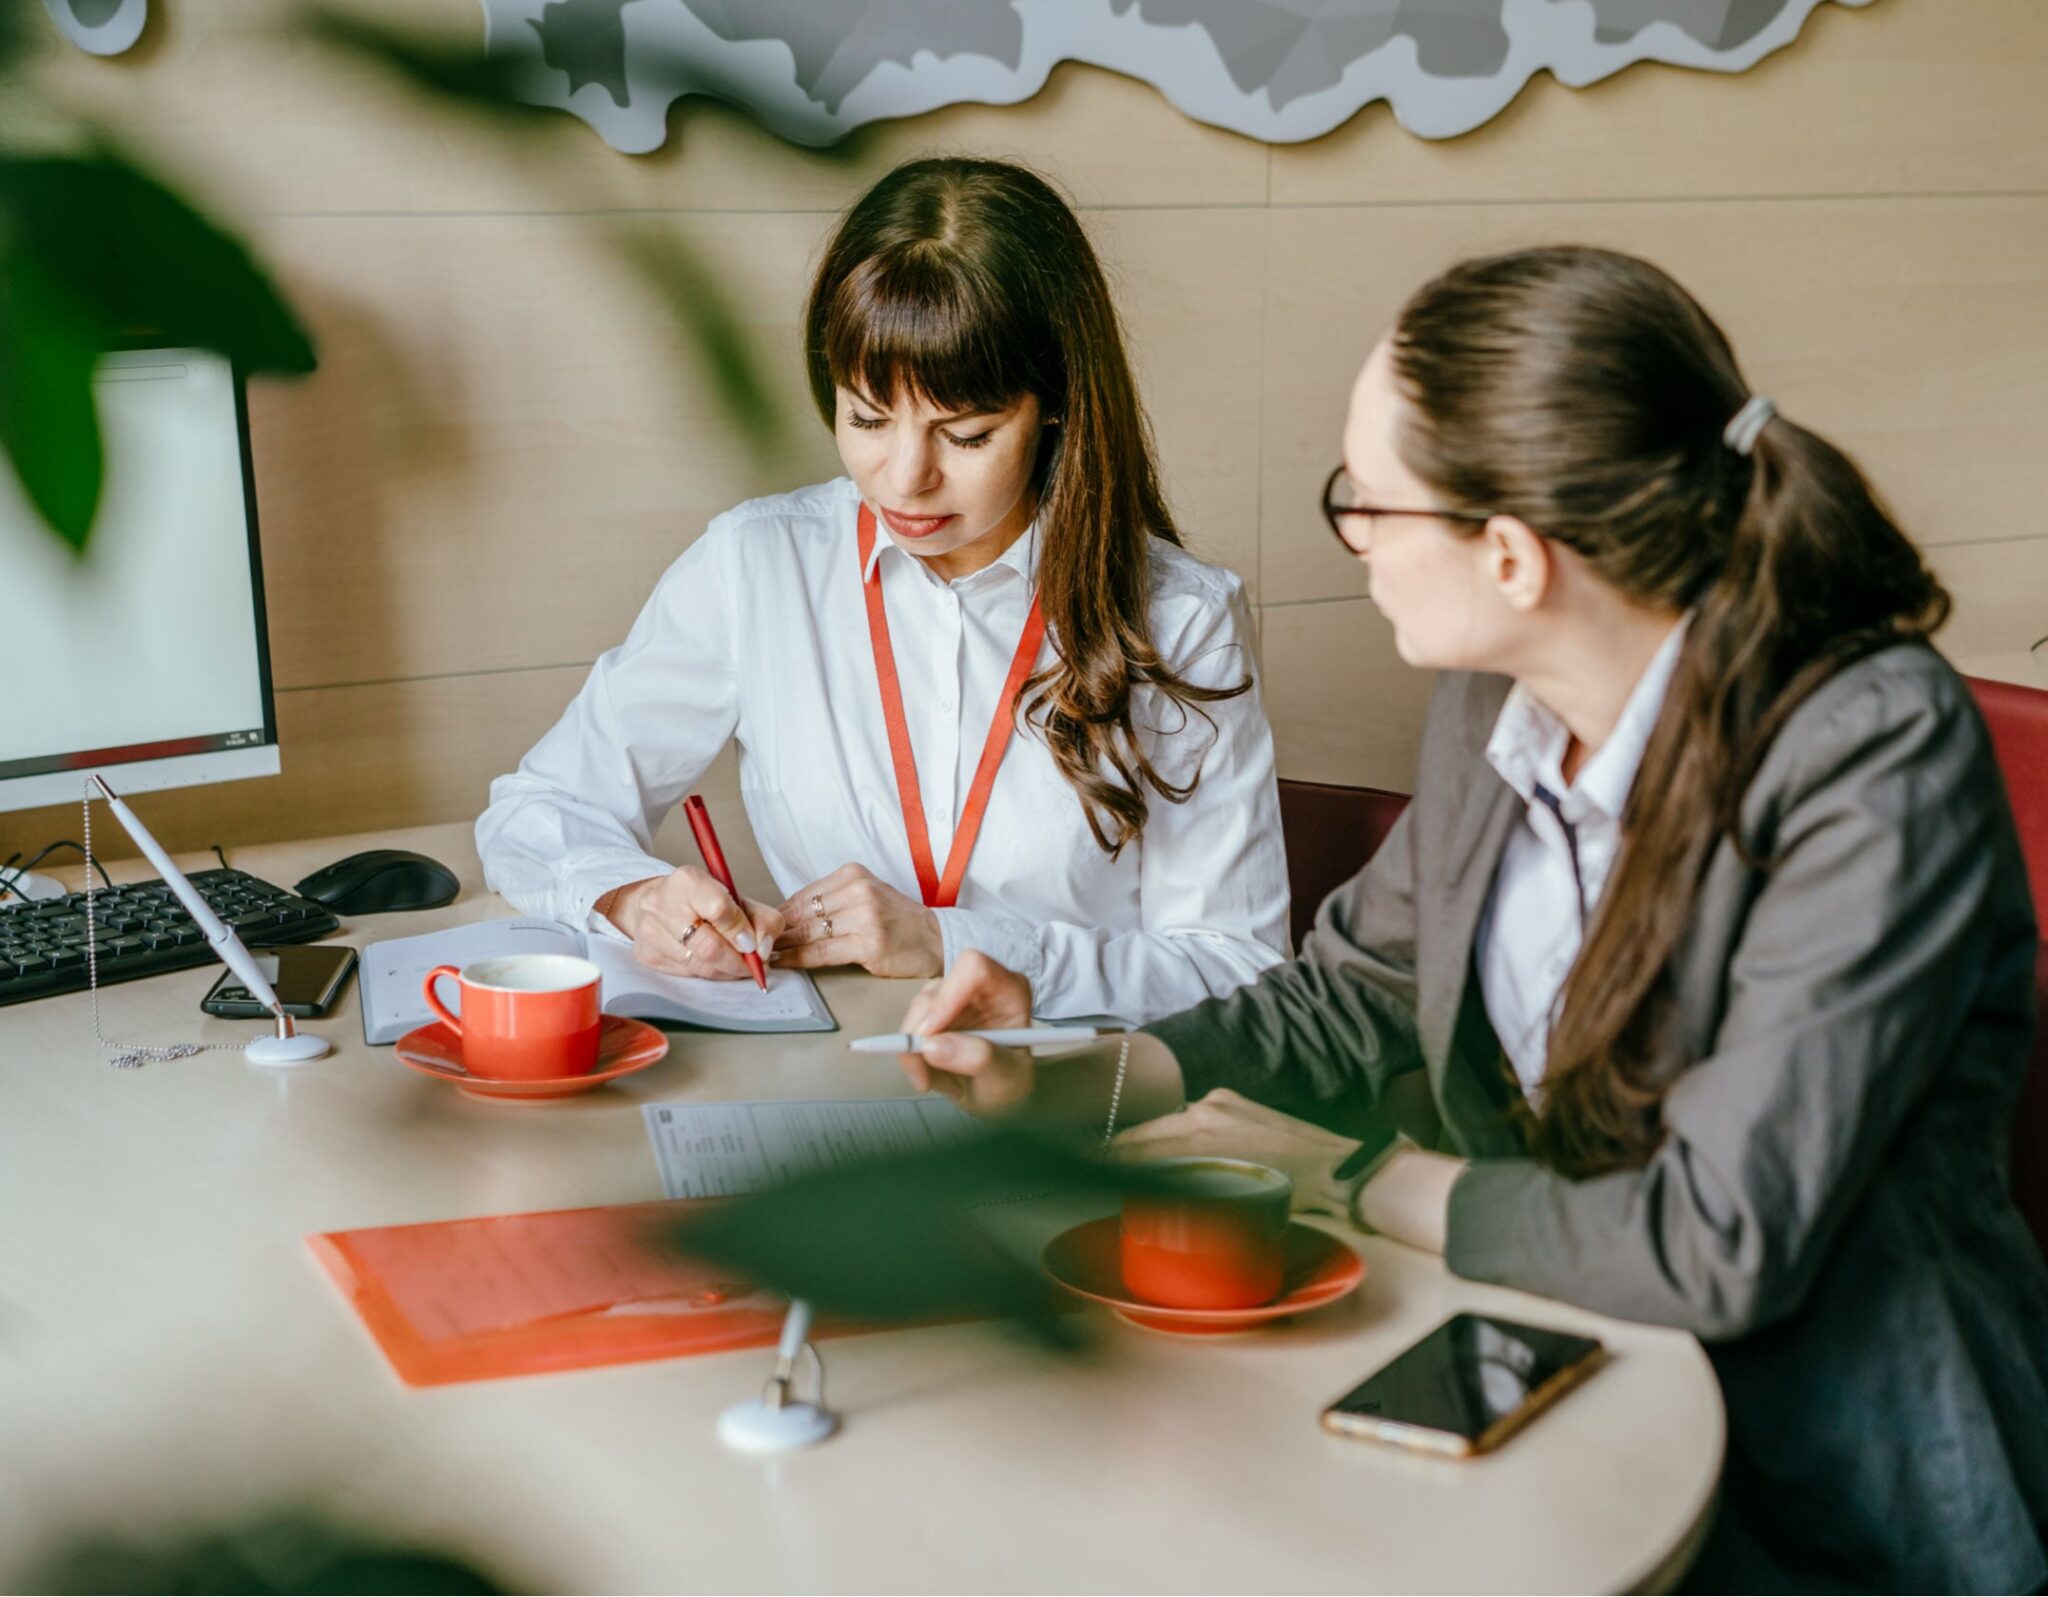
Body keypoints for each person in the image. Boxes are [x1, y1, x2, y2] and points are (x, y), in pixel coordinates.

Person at [899, 245, 2048, 1593]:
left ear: (1510, 554)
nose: (1355, 542)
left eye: (1369, 506)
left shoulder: (1871, 751)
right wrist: (1091, 1078)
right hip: (1547, 1374)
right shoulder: (1494, 694)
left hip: (1827, 1488)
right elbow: (1358, 984)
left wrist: (1344, 1177)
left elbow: (1716, 1239)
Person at [476, 157, 1289, 1023]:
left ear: (1054, 406)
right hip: (838, 1083)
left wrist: (953, 942)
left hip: (1079, 1098)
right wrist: (637, 899)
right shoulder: (759, 566)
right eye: (865, 418)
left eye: (966, 434)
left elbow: (1239, 969)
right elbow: (535, 811)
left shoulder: (1182, 617)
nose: (905, 478)